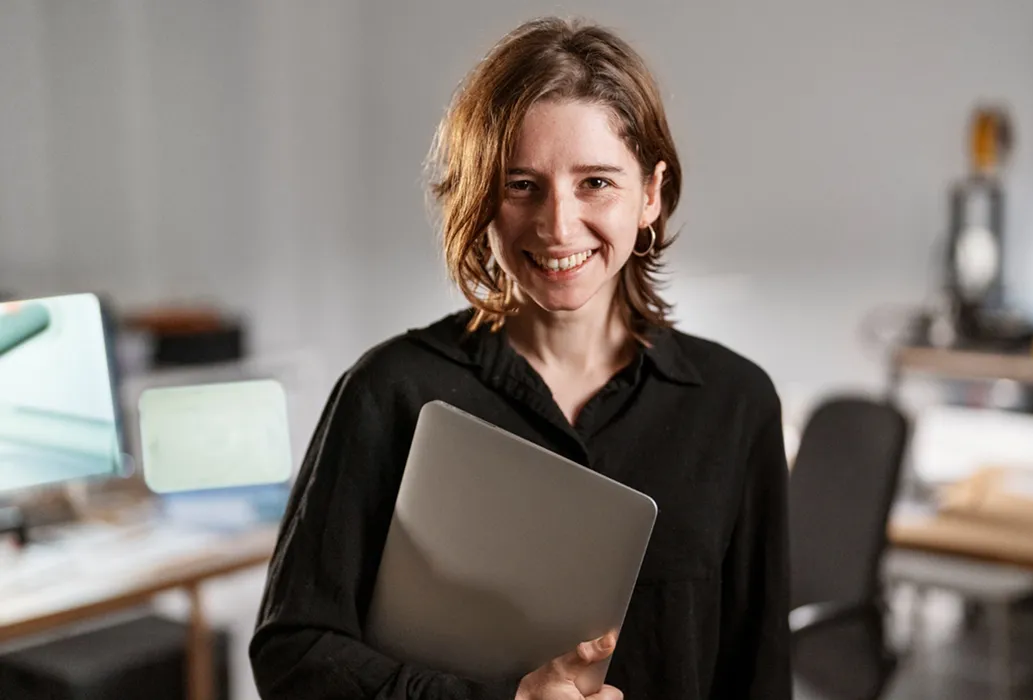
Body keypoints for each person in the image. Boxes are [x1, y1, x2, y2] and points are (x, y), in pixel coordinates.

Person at [249, 16, 790, 700]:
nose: (558, 225)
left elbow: (758, 672)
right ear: (481, 198)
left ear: (650, 194)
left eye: (595, 182)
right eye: (521, 184)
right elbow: (293, 654)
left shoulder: (736, 403)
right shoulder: (388, 392)